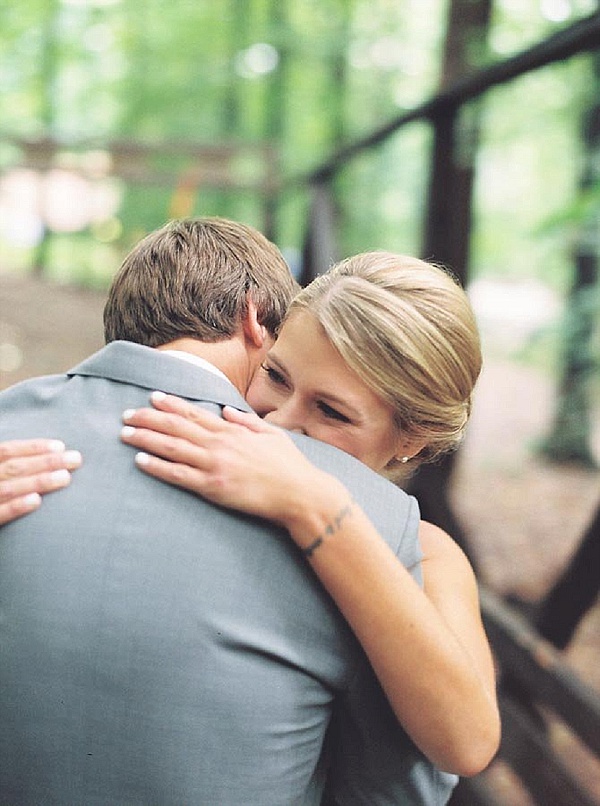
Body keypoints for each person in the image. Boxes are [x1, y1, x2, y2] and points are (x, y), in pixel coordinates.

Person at [0, 219, 461, 805]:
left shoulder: (13, 435)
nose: (279, 423)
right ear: (257, 320)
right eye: (276, 376)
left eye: (332, 411)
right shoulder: (375, 516)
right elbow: (397, 790)